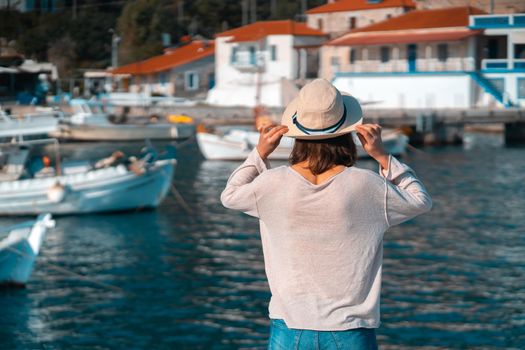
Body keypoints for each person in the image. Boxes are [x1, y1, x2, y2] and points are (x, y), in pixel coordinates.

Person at [221, 79, 432, 349]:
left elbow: (230, 195)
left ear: (298, 134)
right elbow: (421, 200)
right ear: (347, 134)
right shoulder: (367, 185)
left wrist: (259, 153)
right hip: (350, 330)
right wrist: (383, 157)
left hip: (289, 328)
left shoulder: (271, 184)